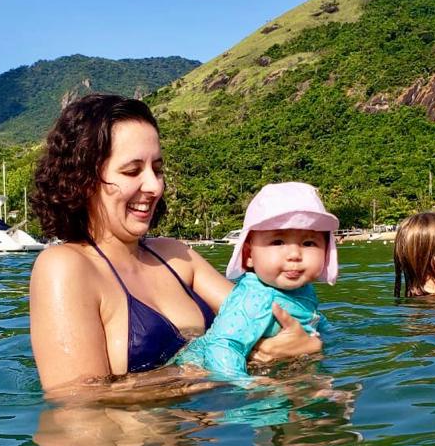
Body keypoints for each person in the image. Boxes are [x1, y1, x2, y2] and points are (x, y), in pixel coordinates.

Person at [28, 94, 322, 395]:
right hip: (142, 442)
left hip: (221, 435)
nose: (155, 186)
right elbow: (77, 401)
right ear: (83, 179)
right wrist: (204, 371)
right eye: (132, 171)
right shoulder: (66, 267)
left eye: (157, 169)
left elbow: (266, 314)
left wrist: (302, 342)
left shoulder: (177, 256)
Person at [175, 182, 338, 380]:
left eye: (308, 243)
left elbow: (312, 318)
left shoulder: (302, 290)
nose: (295, 254)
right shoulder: (256, 299)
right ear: (248, 254)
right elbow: (221, 347)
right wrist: (247, 386)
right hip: (200, 372)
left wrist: (325, 337)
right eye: (278, 242)